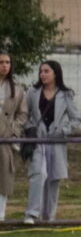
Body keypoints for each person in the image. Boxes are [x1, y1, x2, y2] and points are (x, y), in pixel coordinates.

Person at [24, 61, 81, 224]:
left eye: (46, 71)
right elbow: (25, 115)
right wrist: (31, 128)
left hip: (57, 141)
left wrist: (64, 130)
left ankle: (49, 216)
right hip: (39, 140)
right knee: (38, 173)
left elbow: (76, 118)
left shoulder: (66, 94)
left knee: (54, 177)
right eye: (41, 71)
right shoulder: (33, 93)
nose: (42, 74)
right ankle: (32, 213)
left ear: (55, 73)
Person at [0, 51, 28, 222]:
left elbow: (22, 114)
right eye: (1, 62)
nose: (4, 65)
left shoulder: (17, 89)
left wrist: (13, 129)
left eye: (7, 62)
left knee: (4, 179)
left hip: (5, 139)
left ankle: (0, 215)